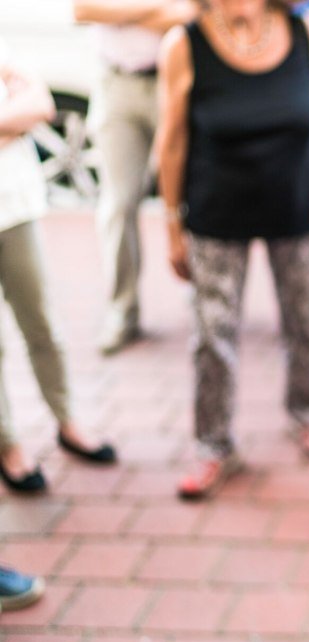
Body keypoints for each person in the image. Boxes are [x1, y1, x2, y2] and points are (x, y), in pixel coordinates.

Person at [155, 0, 309, 499]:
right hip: (216, 211)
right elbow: (171, 141)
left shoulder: (305, 29)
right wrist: (172, 225)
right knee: (211, 334)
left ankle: (306, 412)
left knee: (305, 319)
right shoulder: (185, 43)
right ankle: (213, 444)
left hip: (296, 203)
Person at [0, 41, 118, 495]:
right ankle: (7, 444)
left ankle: (68, 422)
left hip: (15, 208)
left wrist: (23, 115)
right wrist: (12, 122)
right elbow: (24, 110)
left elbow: (41, 105)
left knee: (43, 324)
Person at [72, 0, 200, 355]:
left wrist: (120, 11)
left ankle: (202, 296)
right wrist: (156, 10)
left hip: (173, 78)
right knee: (118, 204)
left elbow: (191, 13)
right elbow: (83, 9)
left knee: (191, 192)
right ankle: (122, 310)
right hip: (117, 83)